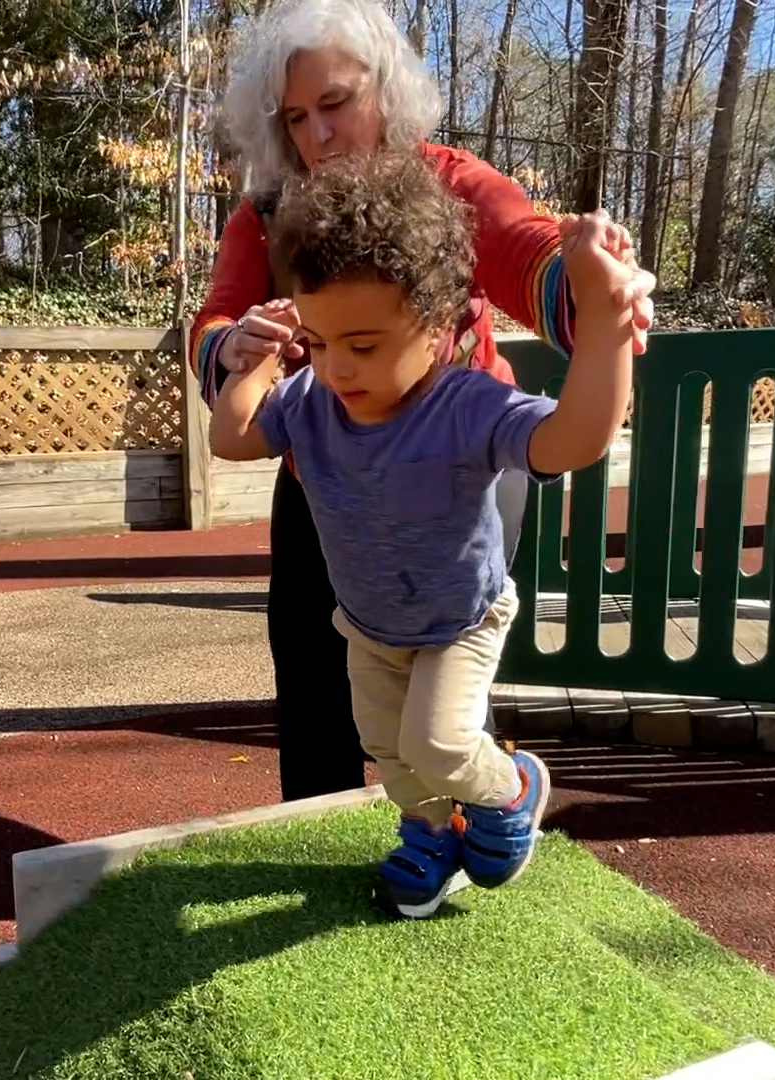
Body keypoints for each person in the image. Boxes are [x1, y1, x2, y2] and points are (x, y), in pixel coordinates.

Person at [192, 0, 657, 802]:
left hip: (457, 460)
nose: (317, 136)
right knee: (313, 665)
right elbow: (221, 317)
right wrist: (237, 345)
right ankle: (330, 828)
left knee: (437, 666)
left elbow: (529, 250)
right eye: (296, 117)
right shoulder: (269, 213)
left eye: (335, 104)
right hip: (329, 465)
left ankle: (478, 802)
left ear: (387, 92)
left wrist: (592, 289)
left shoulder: (447, 182)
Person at [209, 151, 637, 918]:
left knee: (440, 745)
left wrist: (603, 326)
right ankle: (432, 836)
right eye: (323, 340)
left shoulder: (466, 407)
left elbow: (573, 440)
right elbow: (231, 438)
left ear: (438, 324)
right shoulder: (310, 398)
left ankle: (513, 787)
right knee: (389, 753)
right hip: (370, 626)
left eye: (364, 345)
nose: (338, 366)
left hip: (458, 623)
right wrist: (261, 358)